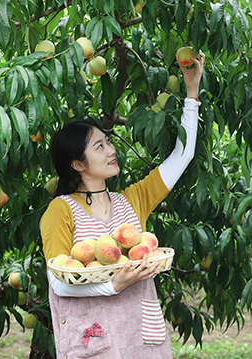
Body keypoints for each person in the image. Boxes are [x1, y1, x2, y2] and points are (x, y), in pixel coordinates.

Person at [40, 52, 205, 359]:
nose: (111, 150)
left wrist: (192, 95)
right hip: (95, 339)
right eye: (99, 146)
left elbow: (182, 157)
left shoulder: (130, 201)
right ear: (77, 164)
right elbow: (60, 284)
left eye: (109, 142)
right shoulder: (60, 211)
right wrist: (112, 285)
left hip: (140, 336)